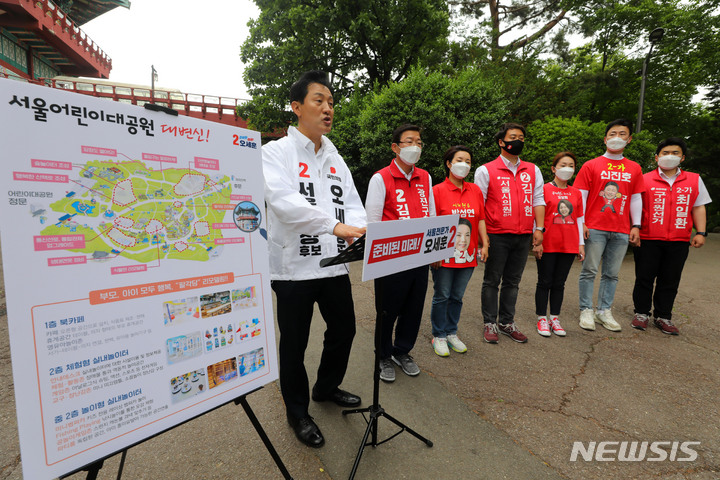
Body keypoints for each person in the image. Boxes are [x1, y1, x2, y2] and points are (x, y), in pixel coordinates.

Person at [262, 70, 367, 448]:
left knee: (344, 330)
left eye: (331, 102)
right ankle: (297, 410)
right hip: (293, 269)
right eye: (318, 100)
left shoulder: (335, 158)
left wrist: (360, 229)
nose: (328, 108)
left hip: (334, 264)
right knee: (295, 342)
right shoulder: (276, 152)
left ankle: (326, 387)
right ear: (296, 107)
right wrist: (335, 227)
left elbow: (353, 205)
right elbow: (284, 203)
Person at [365, 124, 435, 382]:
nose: (414, 147)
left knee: (413, 308)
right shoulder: (380, 178)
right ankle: (383, 354)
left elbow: (432, 215)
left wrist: (435, 249)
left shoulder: (425, 177)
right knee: (387, 310)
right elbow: (373, 222)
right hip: (390, 259)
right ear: (395, 147)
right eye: (408, 142)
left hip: (419, 258)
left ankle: (402, 350)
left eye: (418, 142)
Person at [631, 137, 712, 335]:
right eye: (665, 153)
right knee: (644, 278)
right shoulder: (645, 178)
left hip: (679, 239)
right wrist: (635, 228)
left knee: (670, 279)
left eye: (675, 153)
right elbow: (635, 204)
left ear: (682, 158)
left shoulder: (693, 179)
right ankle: (641, 313)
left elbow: (698, 206)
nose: (669, 157)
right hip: (649, 237)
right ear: (656, 157)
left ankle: (663, 316)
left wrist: (700, 232)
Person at [474, 123, 545, 344]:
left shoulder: (532, 170)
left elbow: (538, 199)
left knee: (513, 282)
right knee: (492, 280)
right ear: (501, 142)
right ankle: (490, 322)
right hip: (497, 234)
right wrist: (483, 239)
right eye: (513, 137)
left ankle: (506, 322)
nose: (518, 141)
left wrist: (539, 228)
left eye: (521, 137)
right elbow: (480, 206)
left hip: (523, 234)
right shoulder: (486, 170)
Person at [574, 118, 646, 332]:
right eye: (613, 133)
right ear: (605, 138)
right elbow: (581, 196)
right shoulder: (591, 165)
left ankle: (604, 310)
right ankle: (586, 309)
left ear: (629, 139)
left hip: (622, 230)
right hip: (595, 227)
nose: (617, 138)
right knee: (589, 270)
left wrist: (636, 225)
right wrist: (583, 223)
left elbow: (635, 198)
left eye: (622, 134)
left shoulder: (634, 168)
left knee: (612, 274)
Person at [430, 146, 489, 356]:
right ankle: (438, 335)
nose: (464, 164)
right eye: (460, 159)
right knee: (442, 295)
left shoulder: (475, 190)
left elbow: (480, 218)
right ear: (449, 163)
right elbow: (432, 225)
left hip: (469, 253)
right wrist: (434, 253)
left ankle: (451, 332)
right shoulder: (436, 190)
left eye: (468, 161)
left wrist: (485, 243)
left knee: (457, 296)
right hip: (444, 255)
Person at [533, 152, 585, 337]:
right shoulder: (543, 189)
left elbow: (579, 219)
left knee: (559, 283)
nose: (567, 169)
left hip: (568, 245)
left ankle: (554, 317)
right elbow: (536, 216)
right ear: (554, 168)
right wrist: (536, 242)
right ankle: (542, 318)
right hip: (547, 244)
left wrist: (580, 244)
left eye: (571, 165)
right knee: (544, 281)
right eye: (563, 165)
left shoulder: (576, 193)